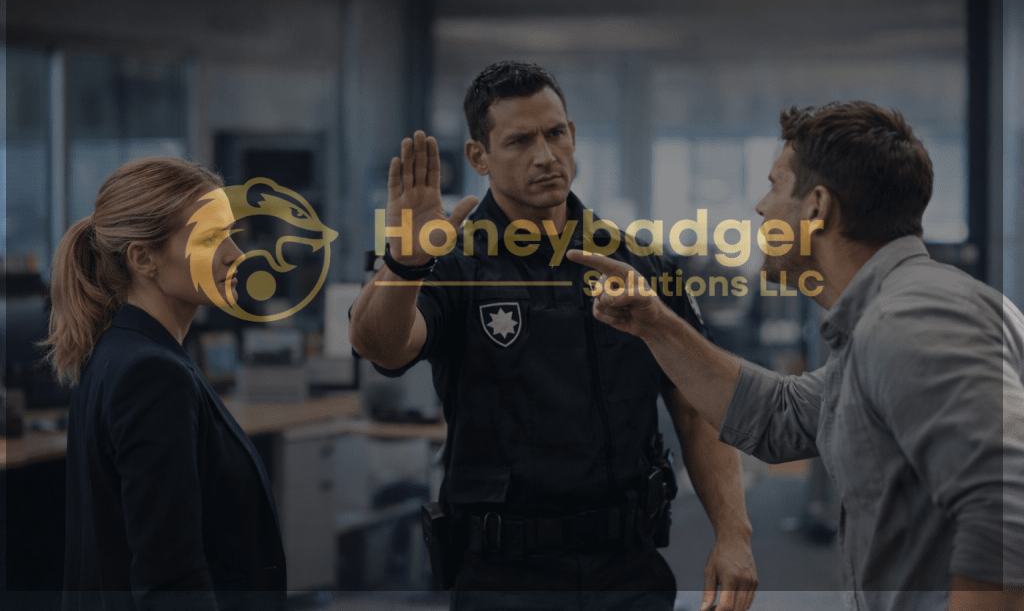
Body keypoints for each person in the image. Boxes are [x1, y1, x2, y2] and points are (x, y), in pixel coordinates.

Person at [568, 101, 1024, 611]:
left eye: (775, 186)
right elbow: (779, 415)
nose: (761, 207)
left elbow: (1007, 505)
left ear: (816, 206)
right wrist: (654, 324)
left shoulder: (914, 317)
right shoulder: (890, 316)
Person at [349, 61, 757, 611]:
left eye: (555, 133)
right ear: (480, 158)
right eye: (519, 140)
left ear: (572, 136)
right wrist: (404, 263)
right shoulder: (456, 263)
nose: (545, 155)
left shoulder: (636, 262)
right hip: (506, 575)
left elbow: (697, 404)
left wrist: (733, 533)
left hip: (628, 568)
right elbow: (381, 344)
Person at [45, 157, 287, 611]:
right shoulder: (151, 374)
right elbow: (171, 577)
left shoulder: (118, 350)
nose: (236, 253)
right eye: (213, 238)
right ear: (143, 259)